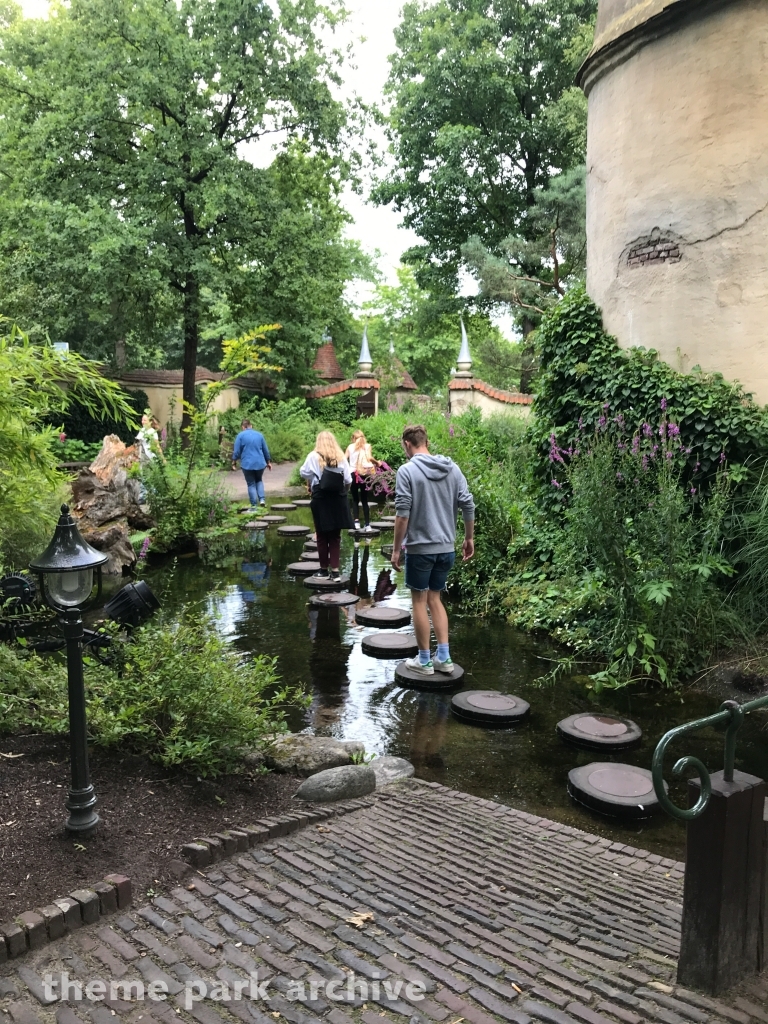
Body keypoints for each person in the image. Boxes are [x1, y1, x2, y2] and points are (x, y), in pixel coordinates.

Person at [391, 423, 475, 676]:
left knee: (418, 601)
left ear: (407, 444)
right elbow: (468, 505)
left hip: (420, 550)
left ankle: (425, 661)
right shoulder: (452, 468)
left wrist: (396, 550)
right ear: (426, 441)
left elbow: (402, 515)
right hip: (446, 549)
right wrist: (469, 538)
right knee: (435, 599)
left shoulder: (406, 471)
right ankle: (445, 658)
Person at [300, 431, 353, 581]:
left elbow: (303, 472)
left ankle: (323, 571)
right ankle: (335, 572)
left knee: (322, 535)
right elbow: (348, 479)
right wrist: (344, 492)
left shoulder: (313, 456)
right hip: (338, 499)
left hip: (320, 499)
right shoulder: (341, 456)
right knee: (335, 536)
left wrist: (313, 476)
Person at [232, 419, 272, 509]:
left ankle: (254, 505)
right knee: (259, 480)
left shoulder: (240, 435)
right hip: (260, 463)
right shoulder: (259, 435)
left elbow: (237, 451)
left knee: (251, 484)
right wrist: (268, 462)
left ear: (243, 427)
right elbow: (265, 450)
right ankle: (262, 499)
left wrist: (234, 462)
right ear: (251, 426)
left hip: (247, 464)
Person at [344, 429, 380, 531]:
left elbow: (343, 459)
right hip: (364, 474)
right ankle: (367, 524)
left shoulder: (350, 447)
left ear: (353, 438)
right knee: (364, 500)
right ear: (363, 437)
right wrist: (377, 463)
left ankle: (356, 523)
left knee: (355, 499)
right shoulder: (367, 446)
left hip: (353, 474)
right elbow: (369, 457)